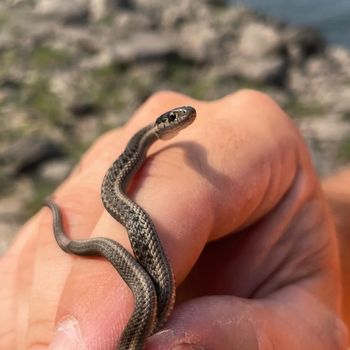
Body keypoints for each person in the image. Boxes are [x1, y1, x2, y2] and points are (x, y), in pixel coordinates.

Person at [0, 90, 347, 349]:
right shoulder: (139, 146)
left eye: (185, 116)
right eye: (174, 117)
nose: (183, 118)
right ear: (161, 126)